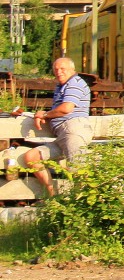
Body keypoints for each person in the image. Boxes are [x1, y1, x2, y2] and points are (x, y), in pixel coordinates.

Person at [20, 57, 93, 196]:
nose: (59, 72)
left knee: (78, 170)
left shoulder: (74, 83)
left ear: (72, 69)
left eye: (62, 69)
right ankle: (52, 197)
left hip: (73, 131)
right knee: (32, 157)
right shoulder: (62, 86)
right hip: (62, 136)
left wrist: (45, 115)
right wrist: (43, 115)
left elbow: (66, 109)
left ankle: (82, 204)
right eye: (56, 69)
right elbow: (58, 111)